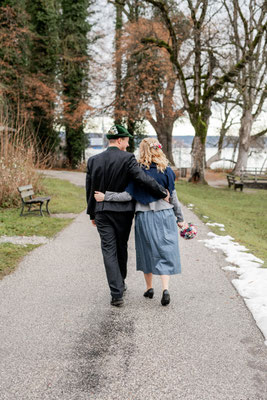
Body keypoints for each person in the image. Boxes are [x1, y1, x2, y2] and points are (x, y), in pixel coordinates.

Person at [94, 137, 186, 306]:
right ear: (158, 149)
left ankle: (149, 288)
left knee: (147, 251)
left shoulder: (137, 171)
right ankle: (165, 289)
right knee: (165, 250)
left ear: (142, 151)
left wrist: (106, 196)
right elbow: (173, 197)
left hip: (144, 216)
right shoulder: (167, 170)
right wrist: (180, 219)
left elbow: (127, 196)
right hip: (165, 215)